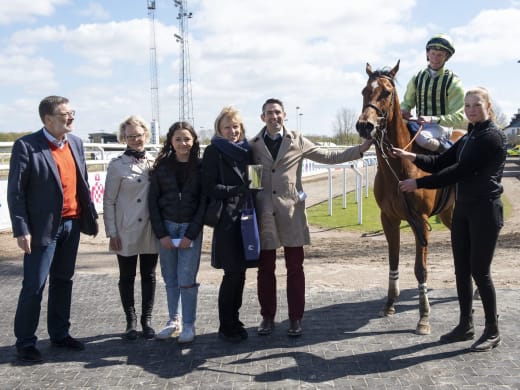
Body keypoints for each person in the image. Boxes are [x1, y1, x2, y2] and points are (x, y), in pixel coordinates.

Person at [391, 87, 507, 352]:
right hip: (464, 209)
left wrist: (417, 183)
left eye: (476, 105)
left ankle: (492, 330)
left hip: (485, 210)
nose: (470, 109)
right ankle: (465, 325)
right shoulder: (468, 137)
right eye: (467, 105)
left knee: (480, 272)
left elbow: (457, 171)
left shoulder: (492, 137)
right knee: (461, 270)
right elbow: (441, 160)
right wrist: (411, 156)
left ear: (488, 105)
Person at [250, 98, 373, 337]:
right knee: (265, 269)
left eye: (277, 112)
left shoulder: (297, 140)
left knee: (295, 267)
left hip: (292, 212)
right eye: (269, 113)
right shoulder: (253, 145)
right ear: (262, 117)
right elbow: (252, 181)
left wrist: (360, 149)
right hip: (264, 214)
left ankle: (295, 318)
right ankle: (267, 317)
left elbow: (327, 156)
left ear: (284, 115)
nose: (273, 117)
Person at [7, 95, 98, 363]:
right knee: (34, 284)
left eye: (72, 113)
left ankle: (60, 333)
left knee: (63, 281)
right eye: (64, 114)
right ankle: (25, 342)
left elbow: (81, 183)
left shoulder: (76, 143)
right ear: (48, 119)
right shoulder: (27, 146)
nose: (70, 118)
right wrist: (21, 229)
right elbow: (16, 193)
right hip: (41, 229)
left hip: (71, 224)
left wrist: (88, 217)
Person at [202, 106, 257, 343]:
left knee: (241, 273)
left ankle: (235, 319)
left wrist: (254, 187)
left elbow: (256, 182)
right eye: (228, 127)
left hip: (246, 215)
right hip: (226, 218)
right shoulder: (214, 151)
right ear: (219, 129)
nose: (233, 131)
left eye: (236, 126)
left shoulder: (248, 150)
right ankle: (226, 324)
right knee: (232, 273)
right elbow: (209, 187)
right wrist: (237, 189)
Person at [103, 115, 159, 340]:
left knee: (149, 275)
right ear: (123, 138)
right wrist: (111, 232)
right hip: (125, 229)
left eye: (139, 135)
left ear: (146, 134)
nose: (136, 139)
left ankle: (147, 319)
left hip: (150, 228)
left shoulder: (155, 162)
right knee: (126, 276)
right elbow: (108, 201)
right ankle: (130, 320)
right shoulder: (117, 166)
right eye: (130, 136)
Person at [148, 121, 205, 343]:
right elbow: (153, 203)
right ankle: (174, 320)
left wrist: (191, 233)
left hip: (190, 230)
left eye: (187, 139)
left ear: (193, 141)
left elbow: (203, 203)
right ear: (171, 141)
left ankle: (189, 324)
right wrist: (161, 233)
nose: (183, 143)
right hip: (167, 228)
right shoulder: (162, 167)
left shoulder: (200, 167)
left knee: (187, 279)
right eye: (178, 139)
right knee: (170, 277)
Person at [401, 33, 466, 153]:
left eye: (440, 55)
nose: (436, 58)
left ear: (446, 57)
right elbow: (407, 102)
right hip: (418, 123)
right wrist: (404, 110)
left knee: (422, 138)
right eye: (433, 54)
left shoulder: (454, 82)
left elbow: (458, 117)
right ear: (427, 54)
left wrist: (432, 119)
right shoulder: (417, 77)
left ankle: (449, 154)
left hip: (441, 127)